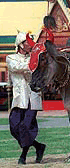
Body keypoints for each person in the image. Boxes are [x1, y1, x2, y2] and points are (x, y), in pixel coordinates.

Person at [6, 31, 46, 164]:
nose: (29, 45)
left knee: (26, 127)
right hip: (19, 99)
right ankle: (38, 147)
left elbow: (38, 70)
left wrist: (36, 59)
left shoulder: (33, 58)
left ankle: (23, 156)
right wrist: (33, 63)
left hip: (33, 97)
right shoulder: (11, 58)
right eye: (27, 43)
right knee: (14, 127)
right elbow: (16, 68)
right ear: (20, 45)